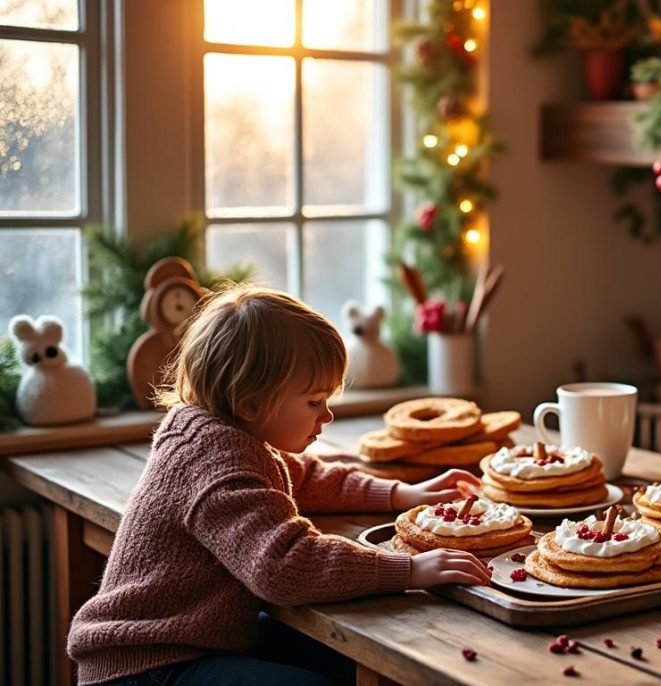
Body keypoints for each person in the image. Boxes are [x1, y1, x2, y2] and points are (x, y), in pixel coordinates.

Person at [68, 286, 491, 685]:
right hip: (148, 666)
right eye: (314, 401)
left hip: (188, 642)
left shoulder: (226, 435)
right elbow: (284, 566)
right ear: (251, 402)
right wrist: (409, 569)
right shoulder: (216, 462)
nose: (326, 416)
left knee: (348, 663)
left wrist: (399, 493)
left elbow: (303, 477)